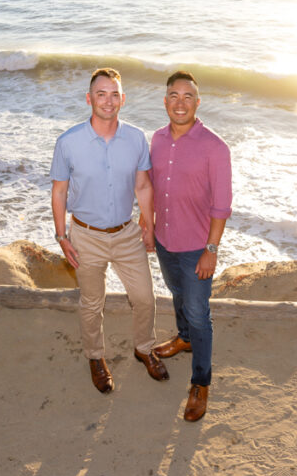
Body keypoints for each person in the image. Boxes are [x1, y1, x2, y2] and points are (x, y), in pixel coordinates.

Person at [51, 67, 169, 394]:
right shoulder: (68, 142)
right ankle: (95, 357)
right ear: (89, 99)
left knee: (145, 297)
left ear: (123, 99)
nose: (108, 100)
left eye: (114, 94)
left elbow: (143, 186)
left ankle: (144, 347)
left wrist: (149, 225)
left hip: (127, 234)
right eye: (101, 94)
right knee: (92, 303)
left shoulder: (135, 139)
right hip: (85, 236)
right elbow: (59, 191)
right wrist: (62, 236)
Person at [149, 70, 232, 422]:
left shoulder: (215, 147)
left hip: (197, 247)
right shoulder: (155, 139)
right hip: (164, 239)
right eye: (173, 95)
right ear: (165, 100)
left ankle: (201, 383)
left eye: (187, 96)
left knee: (200, 314)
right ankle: (183, 338)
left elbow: (222, 206)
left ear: (197, 103)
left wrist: (210, 251)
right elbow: (149, 187)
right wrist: (146, 224)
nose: (179, 102)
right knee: (176, 292)